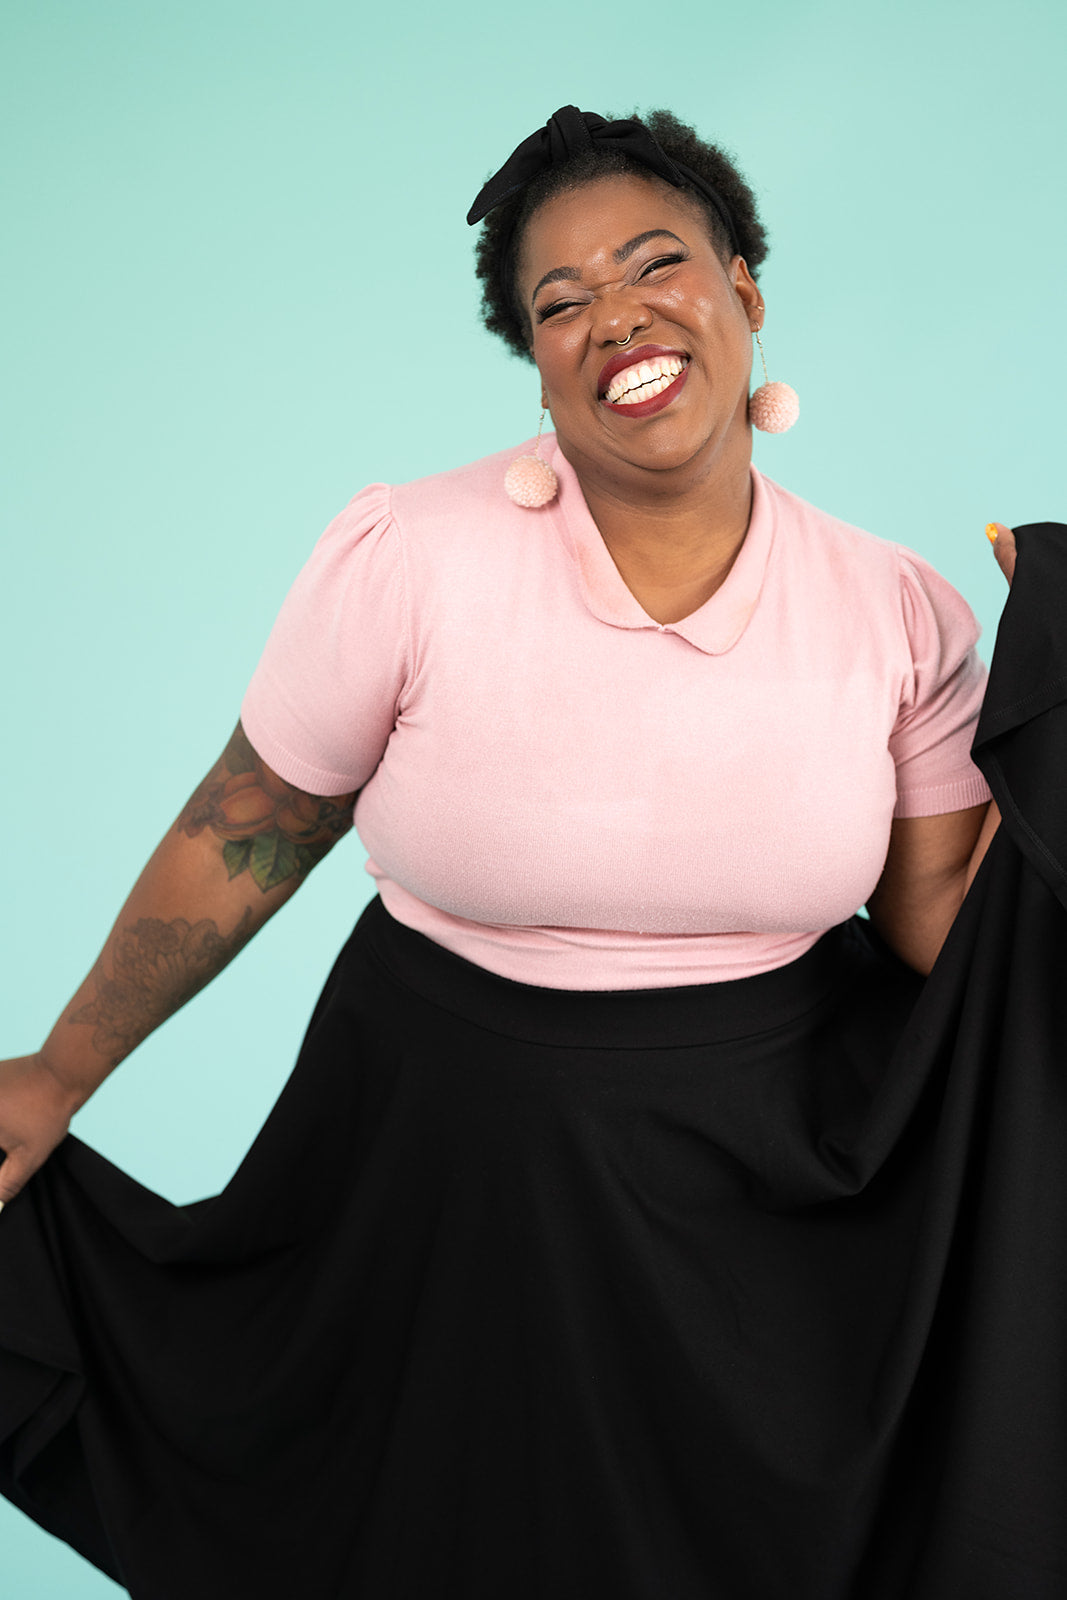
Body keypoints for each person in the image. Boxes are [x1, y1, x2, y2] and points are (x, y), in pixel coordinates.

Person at [0, 105, 1061, 1600]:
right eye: (559, 303)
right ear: (536, 366)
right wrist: (58, 1072)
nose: (616, 315)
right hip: (431, 1174)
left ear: (743, 289)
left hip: (759, 1209)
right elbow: (247, 834)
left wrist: (1065, 686)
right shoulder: (413, 558)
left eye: (657, 265)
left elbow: (946, 915)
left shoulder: (893, 609)